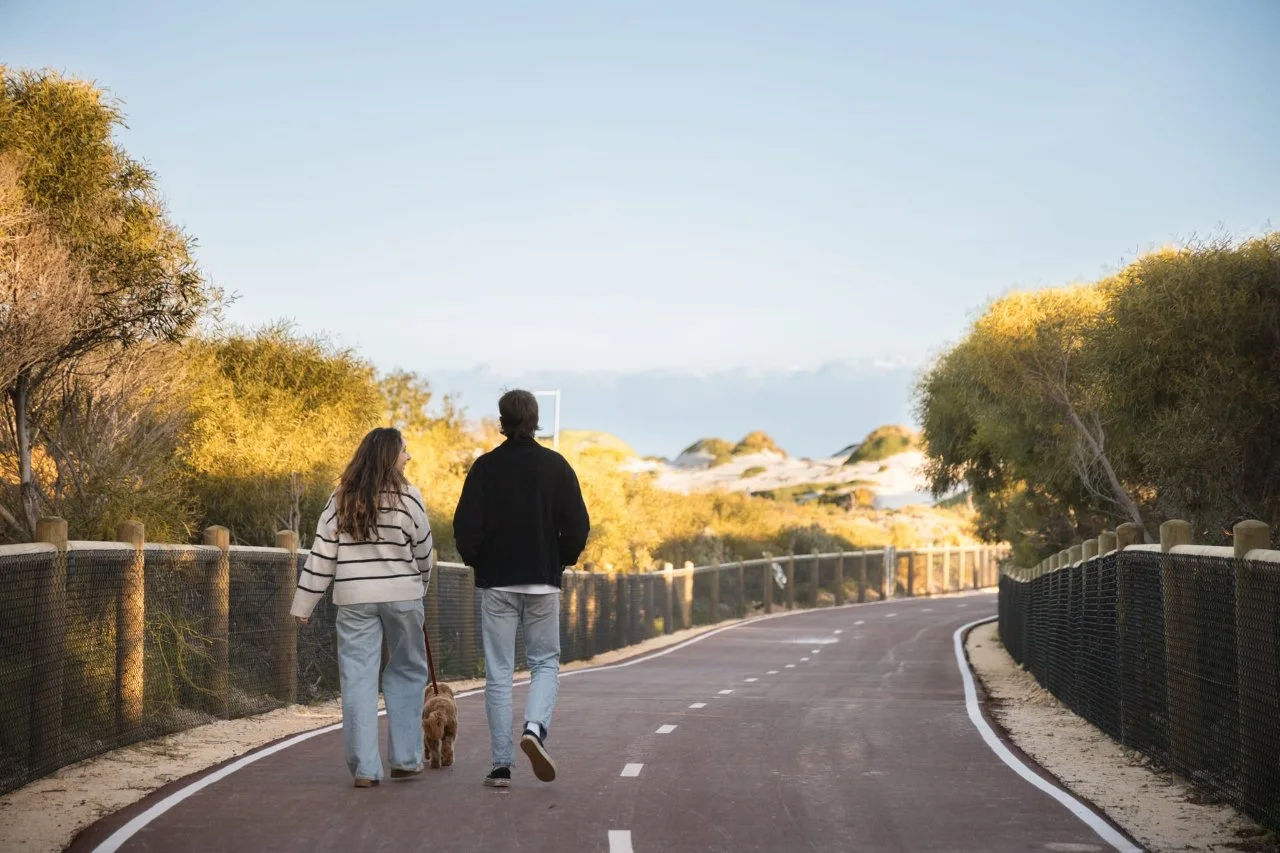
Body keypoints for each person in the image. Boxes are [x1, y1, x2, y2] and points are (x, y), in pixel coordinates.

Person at [453, 390, 590, 788]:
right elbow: (578, 525)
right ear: (535, 419)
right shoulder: (556, 466)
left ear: (502, 418)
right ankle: (534, 729)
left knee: (498, 673)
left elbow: (465, 527)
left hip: (497, 583)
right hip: (542, 583)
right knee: (545, 662)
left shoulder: (484, 468)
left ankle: (500, 766)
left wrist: (480, 561)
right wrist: (558, 559)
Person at [291, 427, 435, 788]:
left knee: (357, 678)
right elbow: (424, 552)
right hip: (403, 596)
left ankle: (365, 770)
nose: (409, 456)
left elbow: (323, 553)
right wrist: (420, 589)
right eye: (404, 450)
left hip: (354, 600)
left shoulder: (341, 498)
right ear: (391, 457)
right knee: (407, 672)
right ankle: (405, 759)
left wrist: (303, 604)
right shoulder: (409, 497)